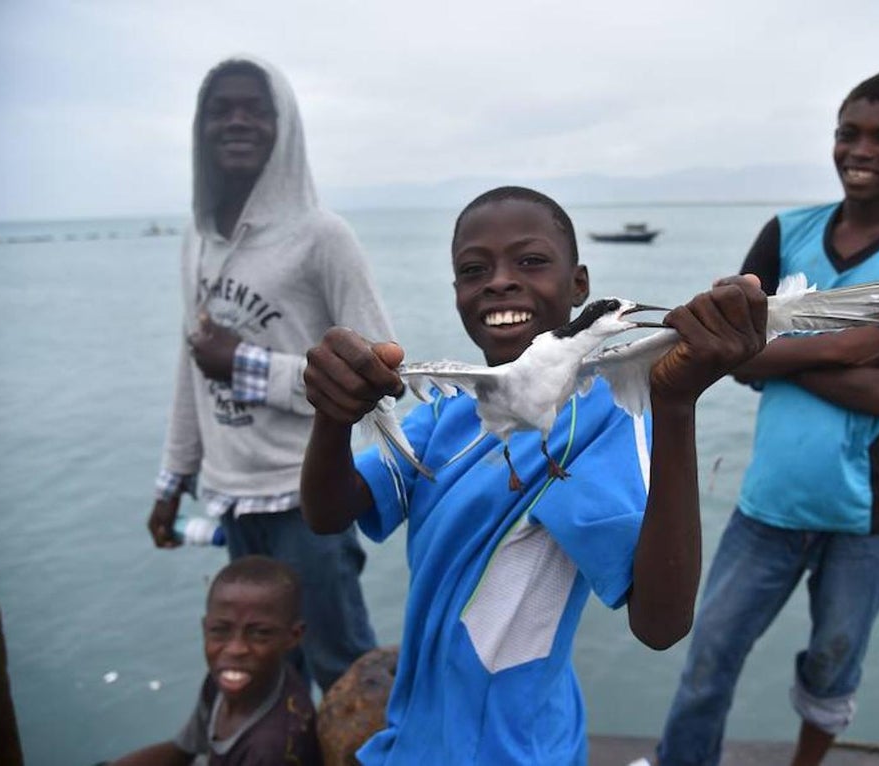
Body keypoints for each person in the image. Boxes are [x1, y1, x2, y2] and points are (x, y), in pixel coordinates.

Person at [299, 186, 769, 764]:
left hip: (517, 748)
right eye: (475, 270)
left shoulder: (606, 417)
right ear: (457, 294)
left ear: (580, 285)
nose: (499, 280)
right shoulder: (445, 413)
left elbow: (661, 623)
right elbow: (327, 513)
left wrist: (674, 406)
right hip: (416, 732)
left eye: (531, 261)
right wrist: (331, 415)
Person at [652, 71, 879, 766]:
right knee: (708, 659)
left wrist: (783, 351)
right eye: (848, 133)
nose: (862, 150)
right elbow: (728, 358)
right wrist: (847, 345)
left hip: (861, 515)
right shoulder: (787, 232)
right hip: (768, 502)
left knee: (832, 667)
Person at [146, 55, 393, 692]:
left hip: (306, 499)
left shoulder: (321, 237)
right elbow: (192, 363)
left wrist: (250, 367)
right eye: (219, 108)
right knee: (268, 678)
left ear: (284, 125)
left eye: (255, 108)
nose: (237, 120)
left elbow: (383, 372)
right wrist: (174, 478)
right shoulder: (196, 240)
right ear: (199, 127)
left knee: (341, 672)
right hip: (231, 496)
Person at [109, 556, 321, 766]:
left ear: (294, 636)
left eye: (260, 634)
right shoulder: (229, 679)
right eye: (220, 631)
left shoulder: (270, 749)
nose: (235, 649)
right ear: (205, 628)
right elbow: (184, 750)